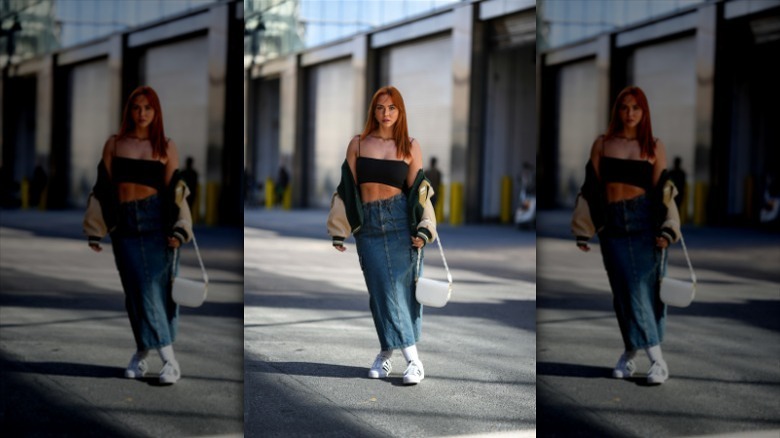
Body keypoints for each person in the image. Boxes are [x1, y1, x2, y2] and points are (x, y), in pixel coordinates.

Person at [571, 86, 681, 385]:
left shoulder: (654, 146)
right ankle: (630, 353)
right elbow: (591, 187)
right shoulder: (602, 144)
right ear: (616, 110)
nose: (629, 113)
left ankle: (656, 361)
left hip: (646, 224)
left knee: (640, 292)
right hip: (613, 227)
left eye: (636, 108)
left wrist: (667, 229)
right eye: (624, 107)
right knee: (624, 294)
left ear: (644, 112)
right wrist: (583, 230)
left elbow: (664, 193)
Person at [83, 85, 193, 385]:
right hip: (125, 227)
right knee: (135, 294)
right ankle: (142, 353)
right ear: (129, 111)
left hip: (158, 224)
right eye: (136, 107)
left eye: (148, 108)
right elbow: (103, 187)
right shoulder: (114, 144)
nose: (142, 113)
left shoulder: (166, 146)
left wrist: (180, 230)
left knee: (152, 292)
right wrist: (95, 230)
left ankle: (168, 361)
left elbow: (176, 193)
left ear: (156, 112)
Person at [327, 85, 437, 385]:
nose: (385, 113)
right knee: (380, 293)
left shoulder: (410, 146)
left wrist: (425, 229)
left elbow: (420, 193)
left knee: (398, 292)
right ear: (372, 111)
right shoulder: (358, 144)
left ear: (400, 112)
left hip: (401, 223)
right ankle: (387, 352)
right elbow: (346, 188)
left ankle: (412, 361)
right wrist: (340, 230)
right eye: (380, 107)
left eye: (391, 108)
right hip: (370, 227)